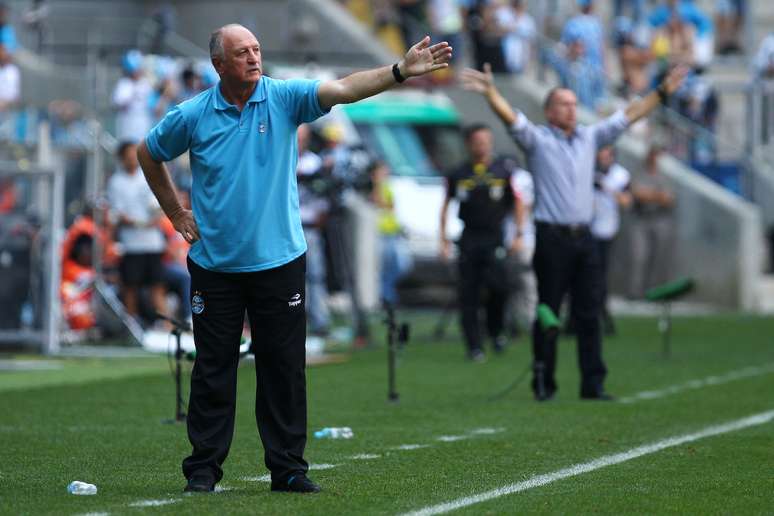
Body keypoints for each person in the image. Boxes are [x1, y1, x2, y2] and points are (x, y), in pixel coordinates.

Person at [136, 23, 451, 493]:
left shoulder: (282, 97)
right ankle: (203, 470)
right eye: (242, 52)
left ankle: (287, 468)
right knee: (212, 370)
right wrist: (176, 211)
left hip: (280, 262)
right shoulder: (193, 113)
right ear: (219, 65)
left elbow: (344, 89)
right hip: (215, 265)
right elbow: (148, 152)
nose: (253, 58)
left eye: (257, 49)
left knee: (283, 368)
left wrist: (399, 71)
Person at [460, 61, 686, 400]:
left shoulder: (591, 137)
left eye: (573, 103)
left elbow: (631, 113)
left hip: (585, 238)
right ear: (550, 111)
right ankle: (543, 381)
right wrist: (492, 91)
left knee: (589, 311)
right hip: (552, 238)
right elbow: (510, 117)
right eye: (564, 103)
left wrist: (661, 92)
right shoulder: (537, 140)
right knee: (548, 312)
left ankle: (592, 383)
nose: (572, 108)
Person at [439, 123, 523, 361]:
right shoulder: (458, 173)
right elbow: (445, 206)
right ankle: (474, 346)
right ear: (469, 144)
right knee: (469, 294)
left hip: (495, 237)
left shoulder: (504, 170)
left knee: (500, 288)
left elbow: (518, 202)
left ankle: (496, 331)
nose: (482, 146)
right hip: (469, 238)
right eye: (477, 141)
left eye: (486, 141)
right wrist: (443, 239)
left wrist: (518, 234)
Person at [107, 141, 168, 324]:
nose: (133, 158)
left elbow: (159, 206)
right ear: (121, 158)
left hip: (153, 243)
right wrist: (138, 222)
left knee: (157, 286)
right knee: (130, 287)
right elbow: (118, 214)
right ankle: (132, 327)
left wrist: (155, 218)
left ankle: (166, 326)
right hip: (131, 245)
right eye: (129, 155)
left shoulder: (148, 177)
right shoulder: (116, 183)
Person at [591, 146, 632, 335]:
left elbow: (626, 202)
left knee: (599, 277)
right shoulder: (590, 171)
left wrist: (606, 187)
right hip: (587, 229)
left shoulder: (620, 176)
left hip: (606, 231)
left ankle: (603, 316)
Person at [296, 123, 331, 336]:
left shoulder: (313, 162)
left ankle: (320, 320)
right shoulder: (283, 160)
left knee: (316, 274)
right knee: (292, 276)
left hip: (309, 224)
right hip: (287, 228)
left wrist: (321, 217)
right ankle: (299, 319)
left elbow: (324, 195)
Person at [628, 145, 676, 298]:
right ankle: (636, 293)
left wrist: (649, 195)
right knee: (639, 256)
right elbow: (636, 193)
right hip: (641, 219)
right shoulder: (640, 173)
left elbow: (669, 199)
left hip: (660, 219)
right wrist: (657, 195)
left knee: (659, 258)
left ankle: (656, 292)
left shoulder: (665, 175)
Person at [369, 160, 413, 308]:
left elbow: (392, 207)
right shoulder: (374, 187)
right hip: (380, 232)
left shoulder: (389, 186)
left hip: (392, 231)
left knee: (400, 265)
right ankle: (386, 297)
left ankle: (387, 294)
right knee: (383, 267)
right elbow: (377, 202)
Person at [112, 50, 153, 143]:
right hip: (127, 126)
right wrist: (133, 94)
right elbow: (118, 102)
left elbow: (152, 104)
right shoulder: (124, 84)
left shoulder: (146, 83)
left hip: (144, 125)